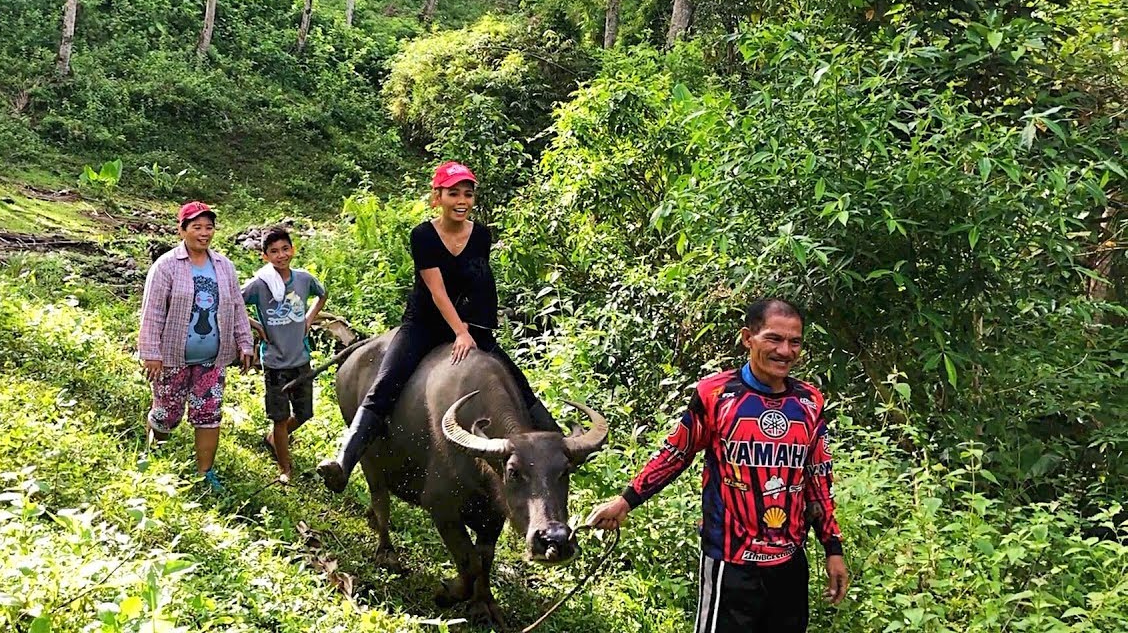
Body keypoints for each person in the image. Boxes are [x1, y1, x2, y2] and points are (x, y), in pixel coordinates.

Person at [587, 299, 849, 633]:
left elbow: (818, 480)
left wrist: (833, 549)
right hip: (730, 562)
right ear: (747, 338)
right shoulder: (716, 394)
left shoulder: (809, 402)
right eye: (773, 338)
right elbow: (676, 454)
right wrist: (626, 500)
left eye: (794, 341)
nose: (785, 351)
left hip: (789, 564)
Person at [317, 161, 559, 493]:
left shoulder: (481, 235)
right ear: (438, 196)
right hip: (425, 325)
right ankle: (343, 460)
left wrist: (475, 329)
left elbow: (478, 284)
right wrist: (459, 331)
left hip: (472, 327)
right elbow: (437, 289)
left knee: (518, 382)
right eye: (454, 193)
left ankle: (559, 445)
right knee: (385, 385)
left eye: (468, 194)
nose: (461, 200)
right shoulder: (423, 235)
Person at [138, 201, 254, 492]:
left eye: (209, 227)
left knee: (209, 415)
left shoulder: (224, 266)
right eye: (197, 227)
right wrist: (151, 353)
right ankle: (156, 461)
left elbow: (237, 306)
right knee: (166, 414)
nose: (204, 233)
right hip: (172, 358)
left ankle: (206, 473)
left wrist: (245, 343)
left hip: (212, 360)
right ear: (182, 230)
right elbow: (152, 312)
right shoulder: (166, 266)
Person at [242, 226, 327, 484]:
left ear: (293, 249)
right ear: (264, 256)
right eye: (274, 251)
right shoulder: (259, 285)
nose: (281, 255)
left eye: (285, 249)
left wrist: (309, 318)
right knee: (279, 417)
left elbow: (322, 295)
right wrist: (255, 325)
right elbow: (231, 302)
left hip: (301, 358)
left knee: (305, 413)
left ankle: (273, 439)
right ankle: (284, 467)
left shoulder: (303, 279)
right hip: (276, 363)